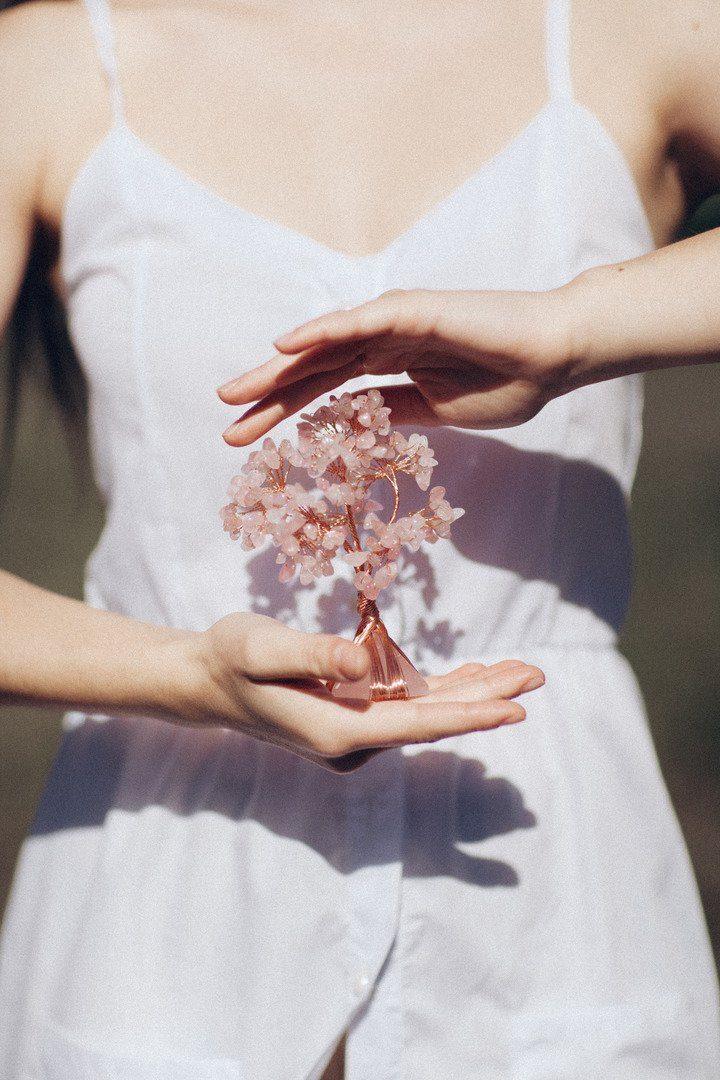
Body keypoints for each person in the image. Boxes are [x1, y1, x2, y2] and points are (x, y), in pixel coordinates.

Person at [0, 0, 717, 1077]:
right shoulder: (50, 67)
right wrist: (186, 672)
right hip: (158, 929)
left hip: (554, 912)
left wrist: (580, 328)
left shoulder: (646, 25)